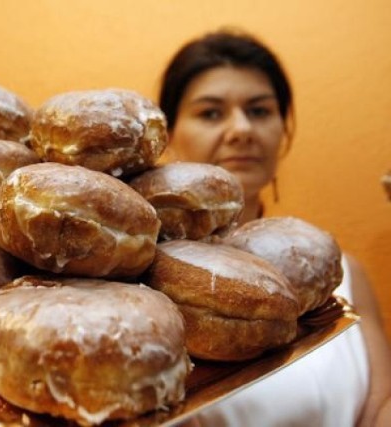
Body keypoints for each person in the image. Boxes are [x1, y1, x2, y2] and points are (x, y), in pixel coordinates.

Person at [158, 28, 391, 427]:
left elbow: (380, 406)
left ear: (283, 129)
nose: (241, 129)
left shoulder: (343, 276)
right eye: (211, 112)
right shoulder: (144, 295)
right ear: (169, 133)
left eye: (260, 110)